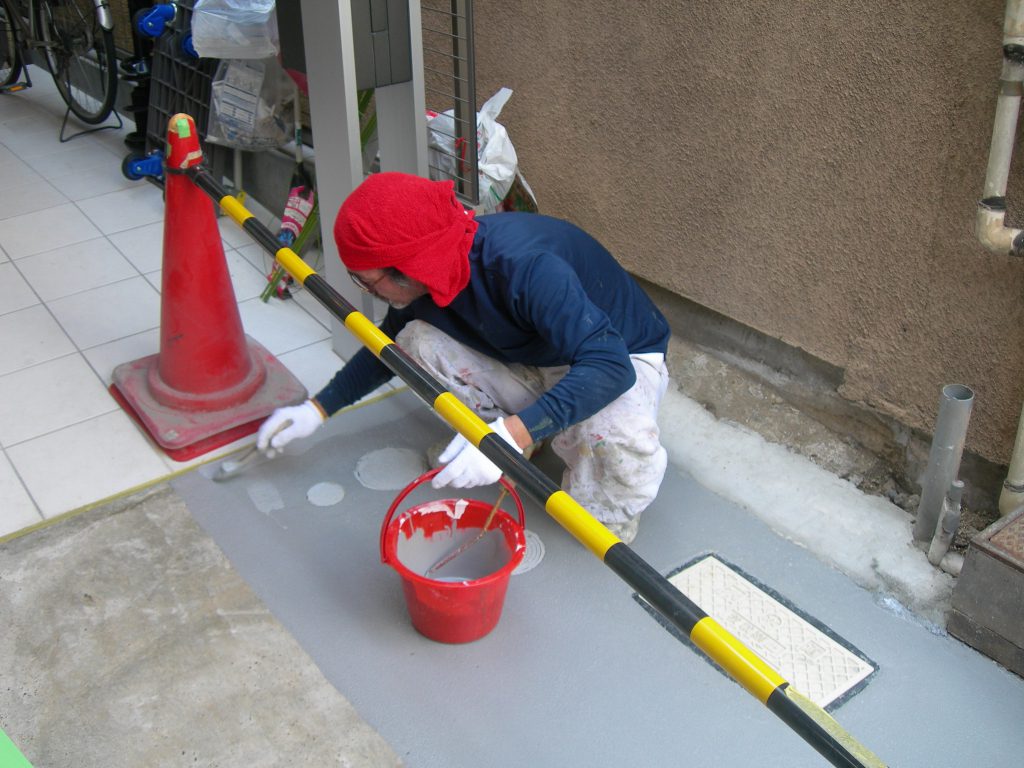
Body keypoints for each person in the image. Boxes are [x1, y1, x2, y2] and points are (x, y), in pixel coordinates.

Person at [256, 172, 671, 544]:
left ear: (408, 265)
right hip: (535, 351)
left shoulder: (525, 267)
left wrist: (510, 434)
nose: (368, 292)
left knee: (609, 439)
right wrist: (318, 408)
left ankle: (600, 503)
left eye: (368, 281)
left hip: (617, 355)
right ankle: (524, 435)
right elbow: (387, 350)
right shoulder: (429, 272)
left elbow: (609, 367)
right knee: (414, 342)